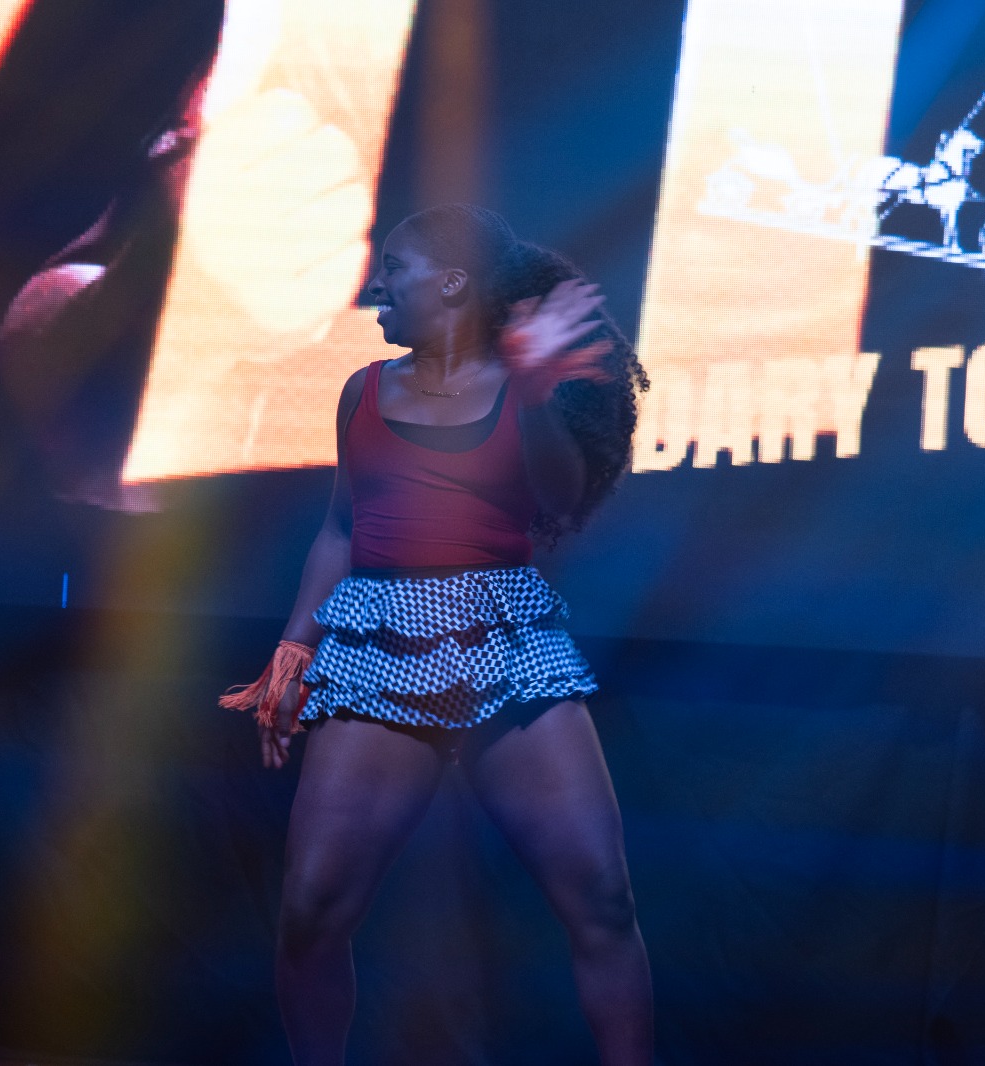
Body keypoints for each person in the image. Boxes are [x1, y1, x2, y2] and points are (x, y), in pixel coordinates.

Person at [220, 203, 654, 1065]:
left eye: (395, 269)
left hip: (507, 651)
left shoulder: (527, 382)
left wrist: (533, 390)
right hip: (379, 652)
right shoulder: (364, 392)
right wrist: (294, 650)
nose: (375, 285)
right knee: (311, 910)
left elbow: (563, 498)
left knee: (603, 901)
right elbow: (341, 529)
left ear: (453, 282)